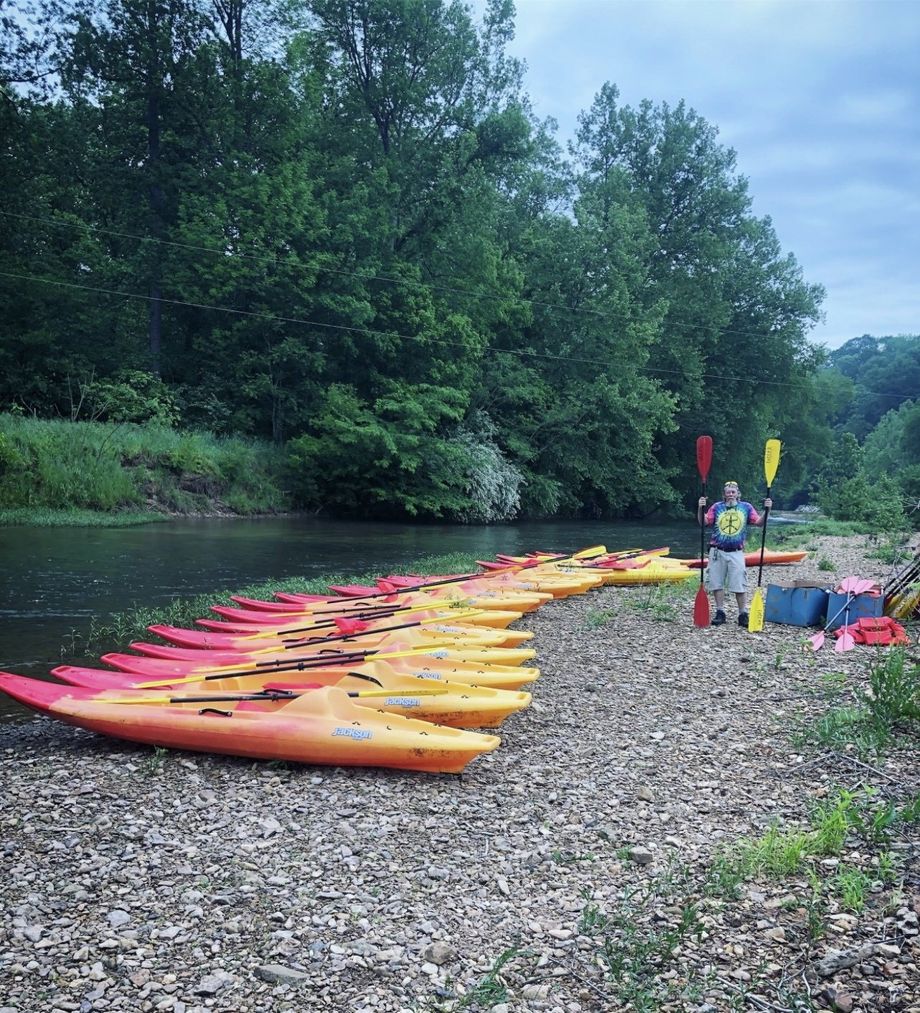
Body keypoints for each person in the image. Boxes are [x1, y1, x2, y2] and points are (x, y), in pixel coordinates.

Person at [697, 480, 772, 628]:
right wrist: (700, 508)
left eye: (733, 492)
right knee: (716, 582)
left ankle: (742, 614)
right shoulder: (717, 507)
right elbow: (703, 522)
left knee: (739, 584)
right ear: (724, 495)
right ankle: (720, 612)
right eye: (728, 492)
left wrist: (767, 510)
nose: (730, 494)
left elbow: (759, 523)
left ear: (738, 494)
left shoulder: (746, 507)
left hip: (736, 552)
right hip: (717, 551)